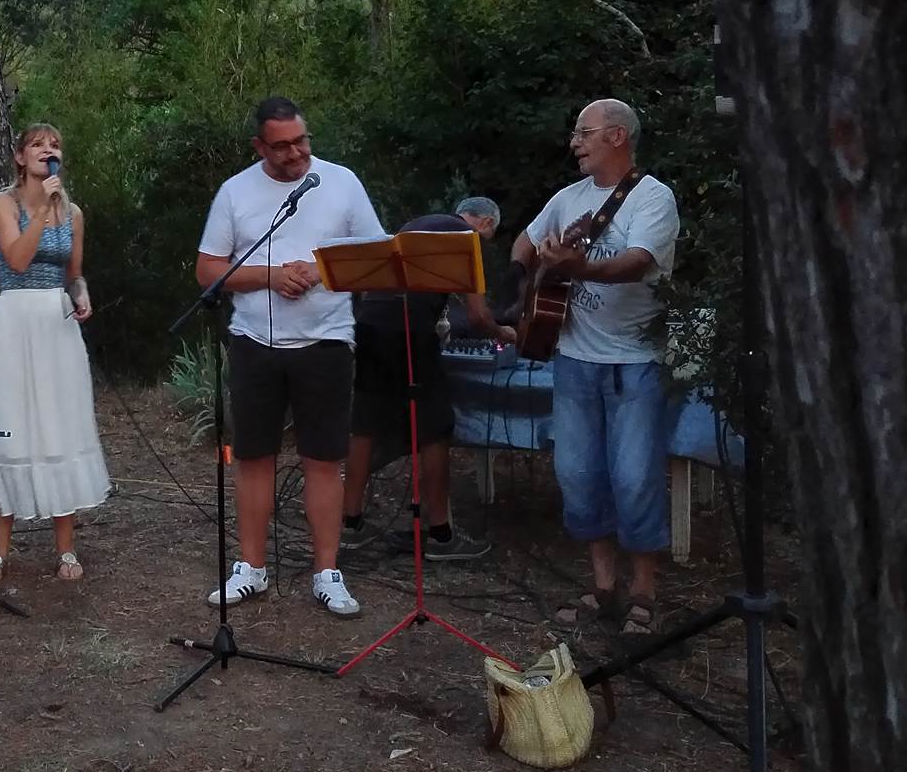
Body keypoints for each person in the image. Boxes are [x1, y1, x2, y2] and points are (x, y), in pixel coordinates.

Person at [196, 96, 384, 617]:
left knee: (324, 460)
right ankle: (251, 569)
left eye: (302, 140)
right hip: (255, 341)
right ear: (260, 146)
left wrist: (321, 271)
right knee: (253, 457)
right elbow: (209, 271)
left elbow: (375, 254)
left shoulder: (340, 182)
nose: (296, 152)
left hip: (326, 341)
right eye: (282, 146)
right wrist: (272, 276)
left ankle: (327, 573)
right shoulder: (235, 192)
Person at [506, 99, 679, 636]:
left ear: (618, 137)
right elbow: (524, 242)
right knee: (579, 476)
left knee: (635, 480)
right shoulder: (567, 198)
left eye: (584, 133)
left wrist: (579, 267)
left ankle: (644, 592)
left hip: (634, 364)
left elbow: (637, 263)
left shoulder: (653, 198)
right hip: (574, 361)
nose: (574, 142)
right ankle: (604, 587)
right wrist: (526, 286)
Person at [340, 198, 517, 562]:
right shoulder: (465, 238)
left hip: (369, 326)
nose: (485, 241)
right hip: (410, 334)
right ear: (484, 221)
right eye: (490, 234)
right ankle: (440, 534)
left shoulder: (414, 224)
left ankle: (348, 525)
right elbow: (479, 316)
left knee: (365, 424)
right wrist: (507, 333)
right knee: (435, 429)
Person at [0, 123, 111, 584]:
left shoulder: (72, 213)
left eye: (55, 145)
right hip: (13, 319)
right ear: (20, 157)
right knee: (11, 428)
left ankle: (66, 548)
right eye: (38, 145)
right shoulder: (4, 203)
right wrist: (41, 210)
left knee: (60, 424)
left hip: (56, 323)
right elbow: (16, 258)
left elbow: (74, 273)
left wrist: (82, 293)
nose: (47, 151)